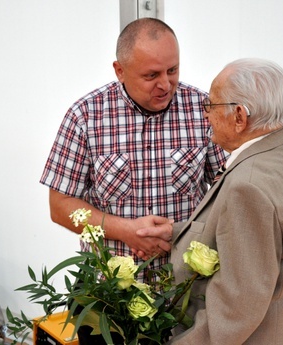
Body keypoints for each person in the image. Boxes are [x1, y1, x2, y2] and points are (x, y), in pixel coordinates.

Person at [39, 17, 227, 344]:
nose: (165, 84)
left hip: (185, 297)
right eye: (151, 75)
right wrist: (127, 231)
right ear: (120, 71)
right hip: (108, 300)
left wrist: (182, 233)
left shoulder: (203, 110)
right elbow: (60, 206)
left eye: (173, 70)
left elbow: (231, 193)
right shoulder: (86, 116)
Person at [141, 58, 283, 344]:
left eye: (211, 105)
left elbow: (235, 310)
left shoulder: (248, 185)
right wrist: (178, 232)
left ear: (239, 116)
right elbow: (273, 241)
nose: (206, 115)